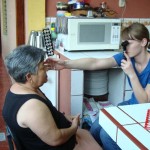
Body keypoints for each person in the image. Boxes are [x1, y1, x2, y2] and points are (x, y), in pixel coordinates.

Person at [45, 22, 150, 150]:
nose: (125, 46)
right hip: (132, 105)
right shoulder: (127, 57)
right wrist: (65, 64)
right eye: (124, 42)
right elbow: (95, 63)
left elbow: (144, 101)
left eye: (129, 42)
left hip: (145, 112)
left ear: (143, 42)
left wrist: (132, 75)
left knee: (107, 135)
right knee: (97, 125)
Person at [2, 45, 102, 150]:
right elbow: (56, 139)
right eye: (42, 68)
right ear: (29, 77)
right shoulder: (32, 106)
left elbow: (40, 121)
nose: (46, 70)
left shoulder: (19, 87)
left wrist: (63, 118)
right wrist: (74, 127)